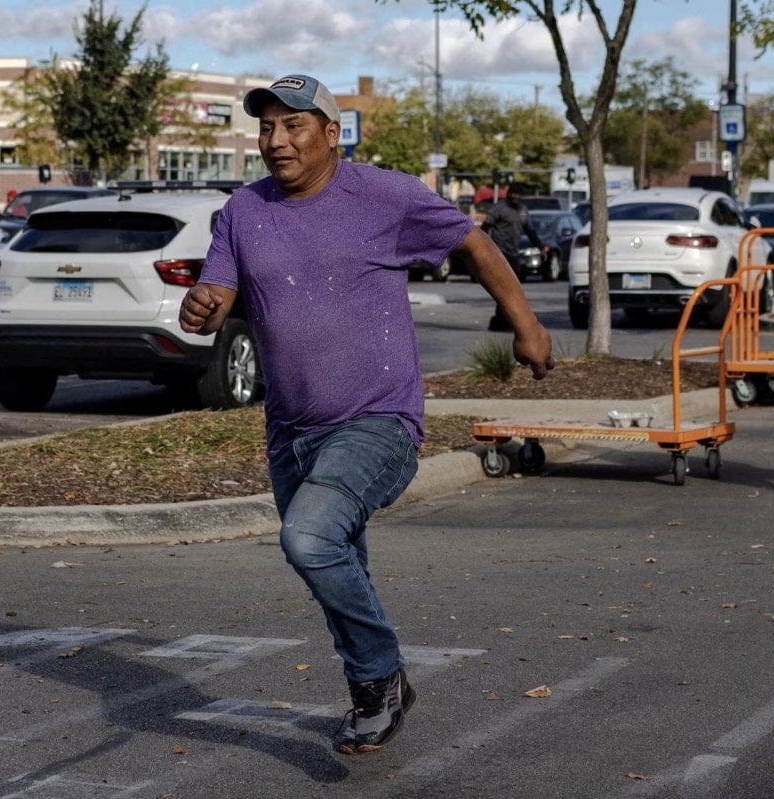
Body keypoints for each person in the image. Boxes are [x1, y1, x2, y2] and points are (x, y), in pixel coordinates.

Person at [178, 74, 554, 754]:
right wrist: (200, 306)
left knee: (309, 538)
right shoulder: (243, 210)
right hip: (290, 430)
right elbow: (218, 289)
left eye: (293, 126)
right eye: (266, 127)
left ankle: (378, 675)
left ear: (331, 133)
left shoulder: (385, 195)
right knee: (337, 558)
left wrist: (527, 326)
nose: (276, 140)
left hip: (378, 420)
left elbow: (473, 242)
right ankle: (380, 687)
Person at [480, 185, 543, 331]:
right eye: (513, 194)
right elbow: (486, 227)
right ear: (508, 194)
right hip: (500, 252)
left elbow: (529, 230)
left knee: (514, 288)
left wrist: (540, 246)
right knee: (503, 287)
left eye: (519, 194)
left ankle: (506, 319)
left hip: (514, 253)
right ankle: (500, 320)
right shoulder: (499, 208)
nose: (516, 197)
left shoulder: (523, 210)